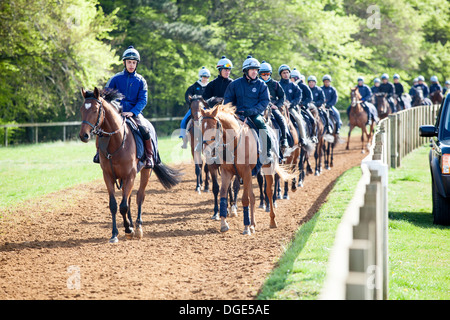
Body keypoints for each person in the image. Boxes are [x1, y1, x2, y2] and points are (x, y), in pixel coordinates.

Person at [94, 45, 154, 168]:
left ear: (137, 64)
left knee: (145, 129)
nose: (131, 65)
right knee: (100, 129)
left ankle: (149, 157)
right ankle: (97, 153)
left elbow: (143, 100)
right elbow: (105, 98)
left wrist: (132, 112)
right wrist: (115, 110)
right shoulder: (115, 79)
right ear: (124, 63)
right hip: (116, 113)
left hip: (134, 113)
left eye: (133, 62)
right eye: (129, 62)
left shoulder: (141, 81)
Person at [224, 55, 273, 164]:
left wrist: (252, 111)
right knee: (223, 127)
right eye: (252, 70)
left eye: (256, 70)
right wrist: (233, 111)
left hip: (254, 115)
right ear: (246, 71)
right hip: (236, 115)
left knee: (261, 124)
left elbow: (265, 101)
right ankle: (221, 152)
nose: (255, 72)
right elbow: (227, 100)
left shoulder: (262, 85)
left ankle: (267, 152)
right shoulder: (234, 84)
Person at [259, 61, 289, 153]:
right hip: (260, 106)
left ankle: (284, 138)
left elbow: (282, 97)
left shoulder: (275, 84)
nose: (265, 76)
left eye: (267, 74)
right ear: (260, 74)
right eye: (263, 74)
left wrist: (277, 106)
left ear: (270, 74)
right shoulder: (257, 83)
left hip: (272, 106)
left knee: (280, 118)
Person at [278, 64, 311, 147]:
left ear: (289, 74)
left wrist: (291, 104)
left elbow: (298, 97)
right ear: (281, 74)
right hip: (279, 108)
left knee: (298, 119)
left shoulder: (294, 86)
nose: (286, 74)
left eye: (287, 73)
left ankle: (303, 138)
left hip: (291, 109)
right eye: (283, 73)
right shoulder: (277, 85)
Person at [179, 67, 210, 148]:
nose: (205, 79)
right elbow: (187, 96)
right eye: (204, 77)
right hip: (195, 109)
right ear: (200, 77)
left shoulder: (210, 87)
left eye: (207, 77)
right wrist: (191, 105)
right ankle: (184, 140)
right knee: (183, 121)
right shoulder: (193, 87)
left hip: (206, 109)